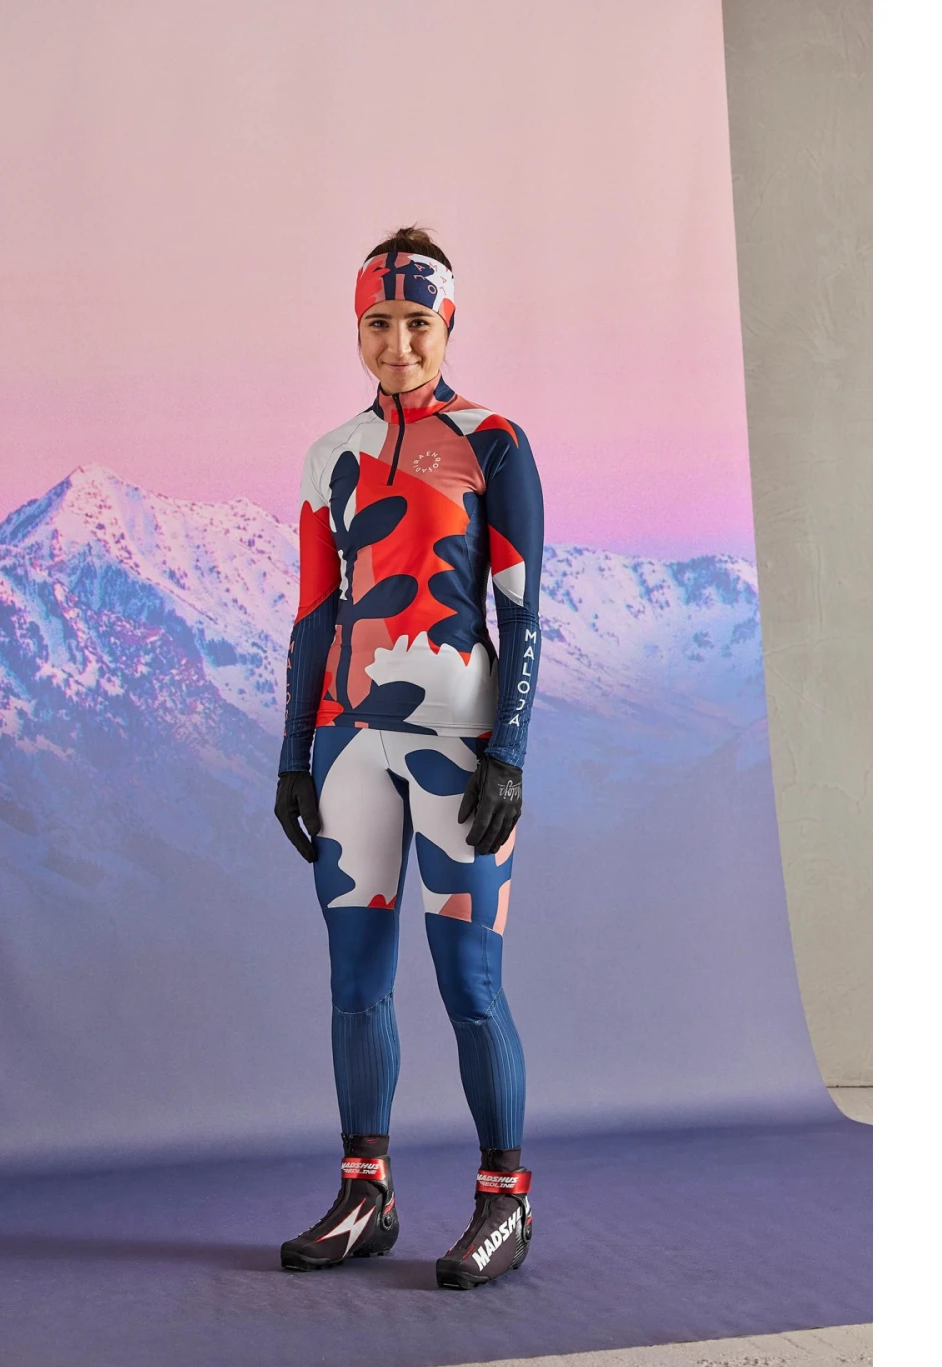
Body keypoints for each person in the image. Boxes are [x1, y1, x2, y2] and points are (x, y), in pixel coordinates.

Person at [274, 226, 544, 1290]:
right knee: (355, 983)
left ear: (448, 324)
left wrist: (508, 753)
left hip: (460, 750)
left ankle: (505, 1202)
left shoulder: (495, 444)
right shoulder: (327, 456)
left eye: (417, 321)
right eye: (379, 322)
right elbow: (313, 616)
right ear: (357, 327)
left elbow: (522, 614)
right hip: (350, 747)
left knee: (470, 983)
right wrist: (293, 756)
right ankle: (367, 1196)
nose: (398, 343)